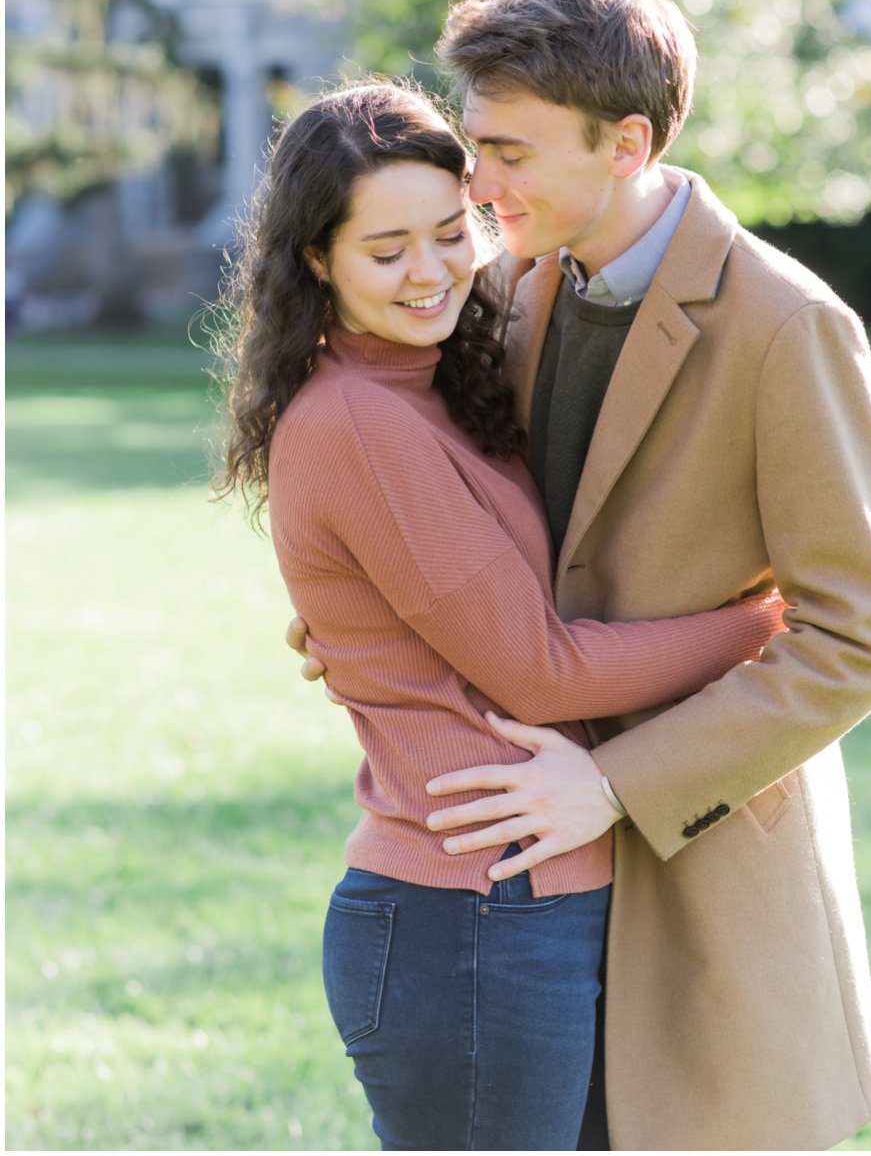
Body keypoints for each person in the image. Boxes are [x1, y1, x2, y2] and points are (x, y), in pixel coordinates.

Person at [287, 0, 871, 1149]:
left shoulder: (786, 328)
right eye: (477, 144)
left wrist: (616, 784)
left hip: (702, 864)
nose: (477, 184)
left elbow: (861, 639)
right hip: (526, 891)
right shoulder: (513, 288)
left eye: (509, 153)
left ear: (624, 144)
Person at [210, 79, 790, 1148]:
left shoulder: (441, 379)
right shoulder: (357, 424)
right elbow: (544, 673)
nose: (430, 272)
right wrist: (765, 625)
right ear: (313, 260)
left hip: (521, 905)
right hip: (466, 918)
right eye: (386, 253)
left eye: (450, 231)